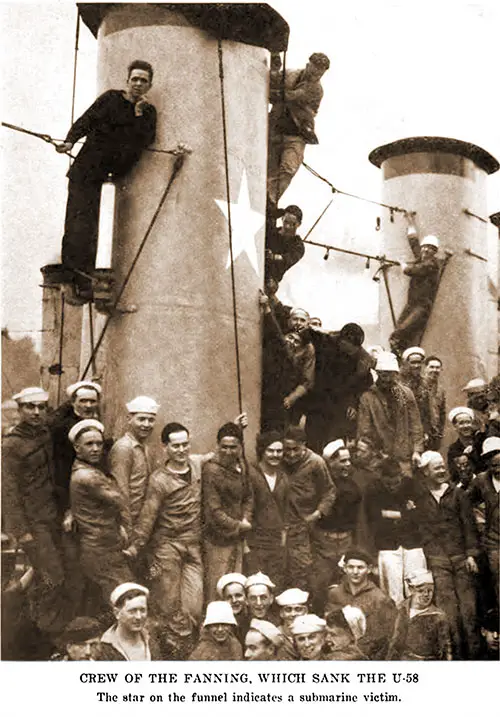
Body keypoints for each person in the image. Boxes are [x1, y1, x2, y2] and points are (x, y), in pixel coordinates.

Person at [56, 60, 157, 297]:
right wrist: (70, 140)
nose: (138, 84)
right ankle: (72, 275)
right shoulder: (111, 98)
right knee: (78, 221)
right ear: (127, 80)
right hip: (87, 168)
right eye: (135, 79)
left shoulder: (148, 112)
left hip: (111, 177)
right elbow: (87, 120)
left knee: (97, 226)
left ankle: (86, 276)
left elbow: (147, 140)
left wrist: (139, 115)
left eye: (144, 80)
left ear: (150, 84)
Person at [2, 387, 71, 637]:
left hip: (52, 516)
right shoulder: (11, 444)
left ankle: (31, 624)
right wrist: (21, 532)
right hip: (33, 524)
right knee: (54, 575)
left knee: (48, 574)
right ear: (20, 410)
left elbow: (61, 413)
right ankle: (47, 633)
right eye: (30, 407)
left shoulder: (45, 431)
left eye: (41, 407)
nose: (36, 412)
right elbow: (8, 492)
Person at [127, 422, 204, 627]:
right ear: (165, 447)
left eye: (185, 444)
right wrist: (136, 546)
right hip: (167, 547)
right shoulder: (159, 480)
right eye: (176, 446)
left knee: (194, 606)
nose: (181, 450)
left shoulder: (197, 464)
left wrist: (239, 427)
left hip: (194, 545)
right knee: (168, 604)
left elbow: (221, 455)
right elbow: (148, 516)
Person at [414, 451, 481, 659]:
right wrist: (429, 557)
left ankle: (475, 657)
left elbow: (469, 525)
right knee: (448, 612)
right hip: (438, 561)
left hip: (461, 558)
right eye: (437, 468)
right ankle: (454, 657)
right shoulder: (421, 497)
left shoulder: (458, 494)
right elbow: (421, 529)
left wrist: (471, 555)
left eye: (443, 466)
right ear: (426, 472)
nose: (442, 470)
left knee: (468, 611)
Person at [69, 419, 133, 614]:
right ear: (76, 447)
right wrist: (128, 533)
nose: (96, 448)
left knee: (110, 602)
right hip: (101, 550)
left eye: (99, 443)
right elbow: (120, 500)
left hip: (102, 547)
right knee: (126, 599)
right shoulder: (88, 476)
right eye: (89, 444)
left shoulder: (86, 470)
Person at [267, 52, 330, 204]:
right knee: (270, 170)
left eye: (320, 73)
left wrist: (267, 92)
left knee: (288, 169)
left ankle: (270, 201)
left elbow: (291, 96)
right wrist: (274, 65)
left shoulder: (316, 90)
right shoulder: (290, 74)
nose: (316, 76)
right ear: (308, 65)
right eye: (315, 70)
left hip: (296, 135)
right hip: (275, 130)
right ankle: (267, 200)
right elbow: (274, 78)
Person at [364, 456, 426, 605]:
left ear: (401, 476)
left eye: (395, 483)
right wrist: (406, 513)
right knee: (393, 591)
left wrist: (389, 514)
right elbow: (375, 516)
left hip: (412, 542)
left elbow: (421, 514)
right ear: (381, 478)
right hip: (387, 544)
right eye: (388, 484)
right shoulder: (373, 489)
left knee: (417, 585)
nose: (392, 487)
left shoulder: (412, 485)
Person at [202, 422, 254, 600]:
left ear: (240, 447)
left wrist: (246, 518)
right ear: (218, 446)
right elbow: (214, 510)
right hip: (217, 539)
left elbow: (248, 496)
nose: (228, 451)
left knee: (236, 586)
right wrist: (239, 525)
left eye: (233, 447)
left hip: (238, 537)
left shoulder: (242, 465)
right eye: (224, 447)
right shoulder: (211, 470)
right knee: (217, 587)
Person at [309, 440, 362, 615]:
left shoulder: (353, 485)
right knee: (320, 586)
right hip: (323, 542)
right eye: (342, 461)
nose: (348, 464)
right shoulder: (319, 485)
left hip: (346, 541)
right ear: (330, 463)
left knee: (346, 585)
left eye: (349, 460)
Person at [305, 322, 374, 453]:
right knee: (313, 441)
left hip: (340, 405)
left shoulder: (362, 361)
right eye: (349, 347)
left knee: (334, 444)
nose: (352, 351)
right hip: (318, 401)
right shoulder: (325, 341)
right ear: (341, 341)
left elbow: (364, 385)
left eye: (355, 348)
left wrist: (354, 403)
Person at [282, 426, 336, 591]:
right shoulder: (277, 460)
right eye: (287, 449)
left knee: (303, 569)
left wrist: (317, 513)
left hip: (305, 525)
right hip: (281, 524)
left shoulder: (315, 462)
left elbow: (329, 491)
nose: (290, 454)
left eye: (295, 449)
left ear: (304, 445)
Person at [357, 352, 424, 476]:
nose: (386, 379)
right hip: (378, 458)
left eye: (390, 375)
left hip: (403, 456)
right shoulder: (368, 397)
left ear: (395, 374)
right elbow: (364, 430)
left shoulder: (405, 394)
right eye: (383, 375)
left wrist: (417, 451)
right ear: (377, 374)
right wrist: (375, 454)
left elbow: (416, 424)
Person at [326, 547, 397, 660]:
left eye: (360, 567)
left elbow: (387, 639)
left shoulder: (380, 599)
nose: (355, 572)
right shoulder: (335, 593)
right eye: (351, 567)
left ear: (369, 569)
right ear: (344, 568)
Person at [49, 380, 102, 516]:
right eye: (83, 401)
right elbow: (61, 468)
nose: (88, 406)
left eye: (92, 401)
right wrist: (67, 507)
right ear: (73, 403)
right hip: (69, 490)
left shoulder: (95, 423)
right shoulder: (64, 428)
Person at [108, 395, 159, 536]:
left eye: (151, 420)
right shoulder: (124, 448)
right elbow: (120, 490)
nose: (146, 424)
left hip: (142, 521)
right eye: (141, 419)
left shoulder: (146, 447)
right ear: (129, 419)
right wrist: (126, 525)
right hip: (128, 521)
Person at [246, 431, 288, 590]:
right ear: (262, 451)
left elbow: (285, 510)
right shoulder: (251, 474)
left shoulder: (283, 478)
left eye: (279, 451)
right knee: (256, 585)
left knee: (276, 585)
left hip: (276, 542)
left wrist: (283, 539)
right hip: (255, 541)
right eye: (270, 450)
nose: (275, 455)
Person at [389, 234, 441, 354]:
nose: (426, 250)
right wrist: (410, 221)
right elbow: (414, 244)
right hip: (412, 304)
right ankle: (399, 351)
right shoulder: (422, 259)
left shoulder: (431, 264)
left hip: (422, 306)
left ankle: (399, 352)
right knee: (399, 328)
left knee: (401, 330)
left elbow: (410, 270)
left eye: (430, 248)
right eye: (424, 247)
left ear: (434, 252)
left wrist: (403, 264)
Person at [387, 569, 452, 661]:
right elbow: (393, 643)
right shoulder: (401, 610)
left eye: (430, 591)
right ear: (411, 590)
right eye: (421, 591)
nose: (426, 594)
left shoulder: (438, 616)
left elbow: (446, 648)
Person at [467, 437, 500, 605]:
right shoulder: (481, 480)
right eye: (494, 465)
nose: (498, 469)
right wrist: (479, 521)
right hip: (493, 542)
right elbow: (466, 502)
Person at [100, 582, 160, 660]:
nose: (139, 617)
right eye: (132, 611)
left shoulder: (153, 640)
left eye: (142, 610)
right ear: (117, 613)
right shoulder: (104, 647)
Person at [265, 205, 305, 286]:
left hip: (271, 280)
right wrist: (277, 213)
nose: (288, 226)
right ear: (282, 218)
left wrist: (272, 256)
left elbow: (288, 259)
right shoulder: (270, 232)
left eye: (293, 224)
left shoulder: (298, 246)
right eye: (286, 222)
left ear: (299, 224)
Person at [447, 406, 486, 480]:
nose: (465, 426)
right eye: (461, 423)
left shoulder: (481, 441)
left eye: (468, 422)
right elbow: (455, 475)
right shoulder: (453, 450)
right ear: (455, 427)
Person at [275, 587, 309, 660]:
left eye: (298, 609)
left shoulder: (311, 635)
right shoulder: (276, 635)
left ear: (305, 611)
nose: (293, 614)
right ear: (281, 613)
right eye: (288, 610)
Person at [216, 572, 249, 645]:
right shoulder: (219, 624)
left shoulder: (251, 619)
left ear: (246, 597)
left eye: (238, 595)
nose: (234, 600)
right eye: (229, 597)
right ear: (223, 600)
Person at [422, 355, 446, 450]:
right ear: (425, 368)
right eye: (431, 367)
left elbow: (442, 413)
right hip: (421, 433)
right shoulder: (418, 386)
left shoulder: (440, 390)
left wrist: (440, 432)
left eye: (437, 367)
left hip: (435, 434)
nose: (435, 370)